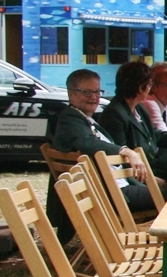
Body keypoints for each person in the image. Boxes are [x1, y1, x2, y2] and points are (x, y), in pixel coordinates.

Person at [49, 67, 156, 214]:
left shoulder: (85, 119)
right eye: (86, 92)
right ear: (71, 94)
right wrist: (125, 151)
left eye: (97, 92)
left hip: (117, 186)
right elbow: (89, 142)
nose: (93, 97)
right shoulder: (70, 120)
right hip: (112, 195)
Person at [97, 60, 167, 188]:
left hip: (154, 166)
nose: (150, 89)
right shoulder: (114, 114)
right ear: (140, 88)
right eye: (150, 84)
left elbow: (156, 136)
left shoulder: (139, 108)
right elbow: (121, 160)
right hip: (140, 176)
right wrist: (151, 180)